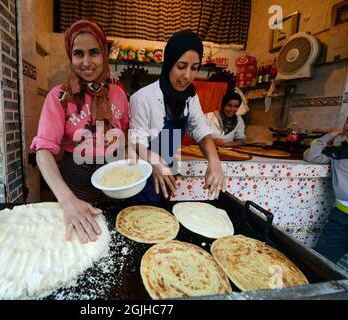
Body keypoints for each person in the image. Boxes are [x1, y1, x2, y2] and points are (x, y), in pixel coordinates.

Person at [30, 19, 129, 243]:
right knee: (80, 245)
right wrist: (67, 201)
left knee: (113, 242)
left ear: (104, 54)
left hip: (114, 185)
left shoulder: (118, 94)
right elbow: (43, 150)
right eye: (78, 53)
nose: (86, 62)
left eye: (94, 52)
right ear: (70, 56)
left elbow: (124, 137)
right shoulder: (59, 97)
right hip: (74, 184)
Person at [129, 29, 225, 201]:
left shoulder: (191, 97)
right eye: (181, 66)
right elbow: (137, 141)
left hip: (167, 172)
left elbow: (201, 131)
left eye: (194, 68)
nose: (187, 76)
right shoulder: (143, 98)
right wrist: (154, 160)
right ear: (169, 63)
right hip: (142, 174)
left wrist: (214, 161)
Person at [304, 111, 348, 270]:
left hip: (342, 217)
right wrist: (328, 136)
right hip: (342, 217)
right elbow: (312, 156)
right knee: (322, 262)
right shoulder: (339, 152)